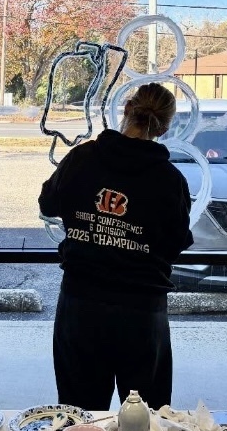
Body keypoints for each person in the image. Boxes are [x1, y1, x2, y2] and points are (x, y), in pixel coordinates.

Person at [39, 82, 193, 410]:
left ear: (126, 110)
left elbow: (48, 203)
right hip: (141, 315)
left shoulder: (81, 159)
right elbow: (175, 243)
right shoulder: (169, 180)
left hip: (81, 308)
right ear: (164, 127)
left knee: (80, 422)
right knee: (145, 428)